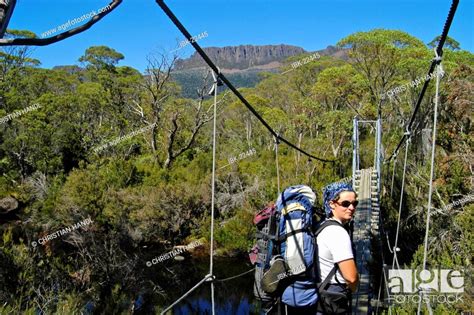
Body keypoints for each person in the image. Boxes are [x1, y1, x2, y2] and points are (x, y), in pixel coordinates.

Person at [316, 182, 359, 314]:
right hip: (334, 298)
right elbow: (351, 278)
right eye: (345, 203)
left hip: (319, 294)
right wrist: (354, 287)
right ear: (332, 204)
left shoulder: (321, 225)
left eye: (354, 203)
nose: (351, 207)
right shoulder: (338, 233)